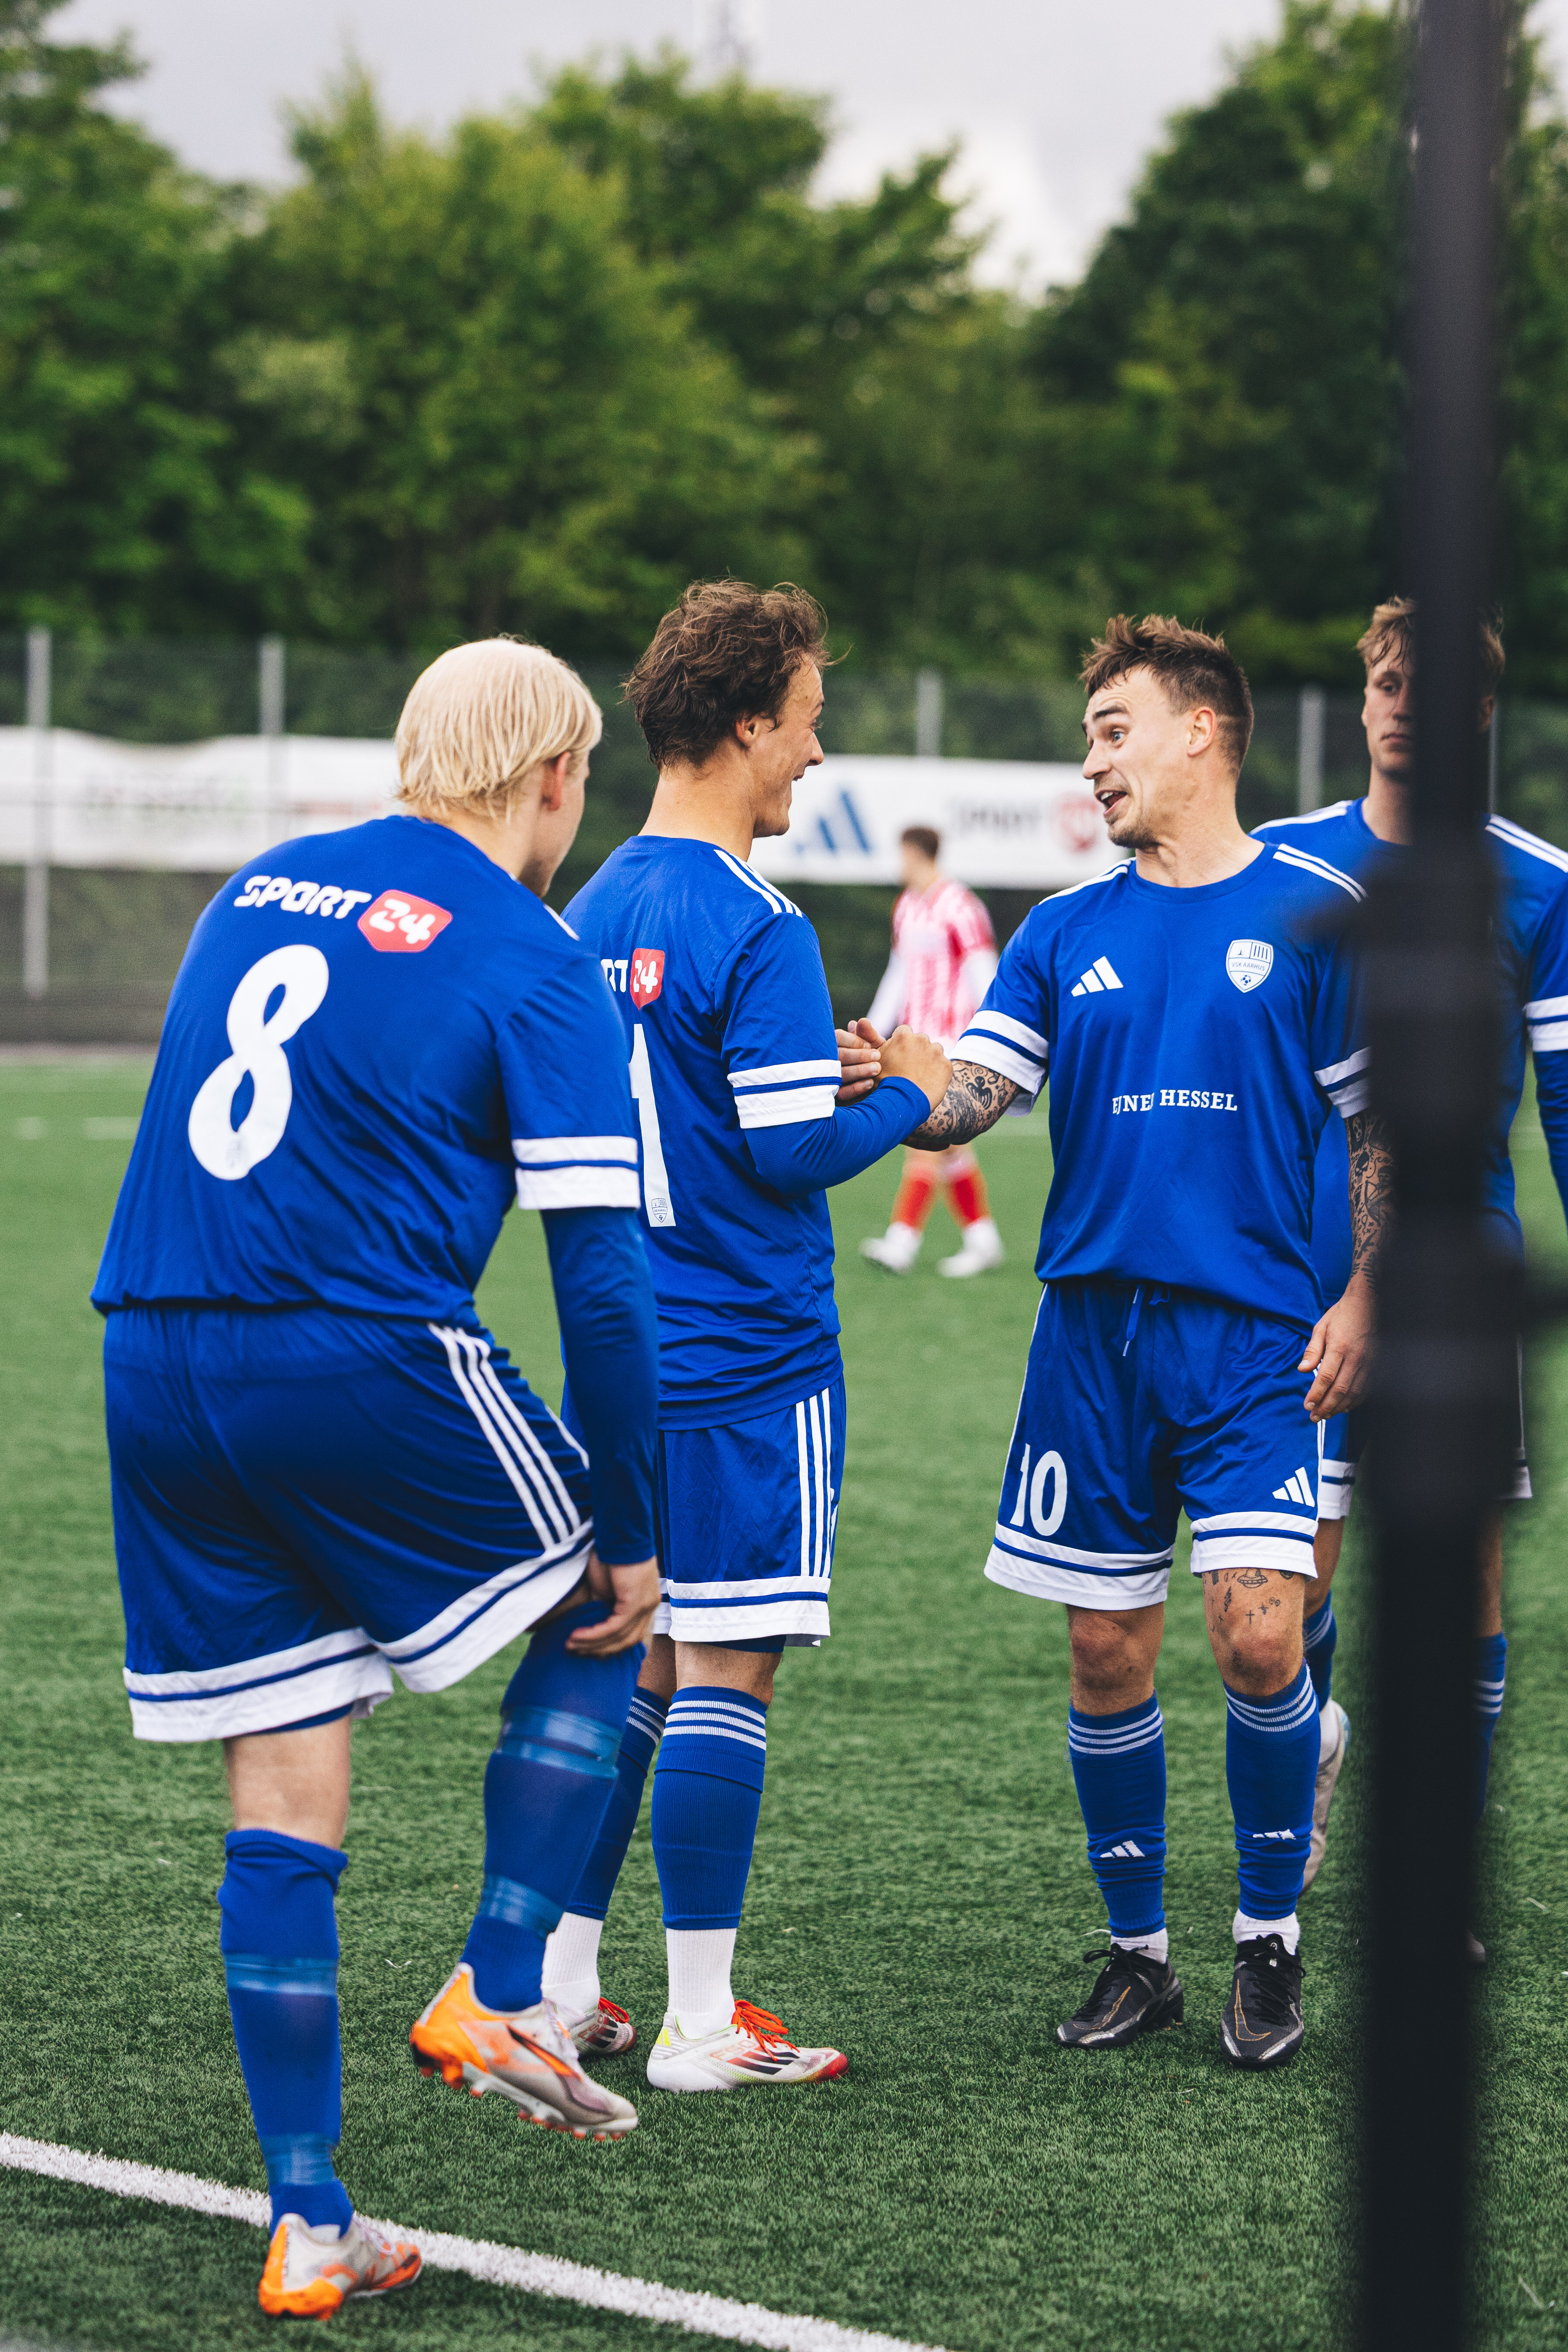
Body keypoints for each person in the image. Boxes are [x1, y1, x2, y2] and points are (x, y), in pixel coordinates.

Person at [94, 640, 662, 2318]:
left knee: (284, 1788)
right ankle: (498, 1980)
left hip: (152, 1358)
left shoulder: (258, 883)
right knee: (609, 1605)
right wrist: (632, 1527)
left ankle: (310, 2216)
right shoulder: (535, 950)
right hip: (351, 1349)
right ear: (553, 775)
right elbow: (605, 1287)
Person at [880, 614, 1388, 2071]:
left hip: (1253, 1343)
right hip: (1090, 1342)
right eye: (1087, 734)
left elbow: (1382, 1127)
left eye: (1113, 729)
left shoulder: (1318, 911)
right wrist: (896, 1085)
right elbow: (972, 1099)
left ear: (1200, 732)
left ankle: (1267, 1940)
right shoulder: (1061, 930)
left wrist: (1364, 1293)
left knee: (1259, 1635)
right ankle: (1140, 1954)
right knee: (1105, 1646)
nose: (1092, 758)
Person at [545, 579, 951, 2092]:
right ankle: (702, 2025)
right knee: (728, 1666)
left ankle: (562, 1989)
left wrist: (811, 1079)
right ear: (739, 725)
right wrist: (908, 1090)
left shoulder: (591, 906)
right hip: (749, 1355)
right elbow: (787, 1153)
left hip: (623, 1352)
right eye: (805, 721)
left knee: (642, 1664)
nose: (815, 753)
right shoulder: (755, 921)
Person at [1256, 600, 1568, 1937]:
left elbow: (1563, 1101)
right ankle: (1313, 1743)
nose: (1401, 708)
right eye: (1384, 682)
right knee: (1297, 1575)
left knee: (1462, 1575)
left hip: (1460, 1268)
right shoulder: (1283, 860)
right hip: (1306, 1267)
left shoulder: (1539, 885)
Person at [859, 826, 1004, 1278]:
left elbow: (985, 975)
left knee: (925, 1138)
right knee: (950, 1146)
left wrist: (989, 1041)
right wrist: (873, 1029)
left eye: (901, 854)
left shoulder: (962, 907)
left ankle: (901, 1241)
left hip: (954, 1042)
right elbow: (897, 975)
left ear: (916, 854)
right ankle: (983, 1240)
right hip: (916, 1043)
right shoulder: (906, 907)